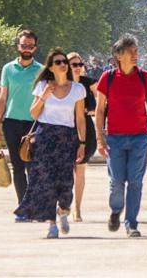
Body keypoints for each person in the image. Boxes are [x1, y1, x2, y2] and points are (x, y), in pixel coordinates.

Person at [15, 49, 86, 239]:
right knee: (46, 182)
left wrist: (82, 142)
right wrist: (44, 96)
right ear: (51, 67)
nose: (63, 64)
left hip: (67, 138)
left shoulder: (78, 89)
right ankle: (51, 224)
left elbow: (80, 119)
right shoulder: (43, 86)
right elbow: (34, 114)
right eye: (58, 62)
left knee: (65, 182)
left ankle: (63, 210)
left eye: (64, 61)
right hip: (45, 136)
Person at [94, 33, 147, 238]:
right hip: (115, 137)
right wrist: (99, 138)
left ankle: (131, 223)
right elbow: (99, 110)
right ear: (118, 55)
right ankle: (115, 211)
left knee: (136, 182)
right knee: (116, 182)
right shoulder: (108, 77)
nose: (135, 55)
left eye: (136, 51)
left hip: (140, 137)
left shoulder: (144, 77)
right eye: (130, 51)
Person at [0, 29, 42, 207]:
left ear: (35, 48)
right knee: (18, 166)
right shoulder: (8, 68)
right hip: (11, 122)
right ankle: (23, 204)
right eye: (24, 45)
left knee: (32, 166)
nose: (27, 48)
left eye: (30, 45)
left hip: (33, 123)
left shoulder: (41, 70)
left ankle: (33, 203)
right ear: (18, 46)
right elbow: (3, 98)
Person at [65, 55, 96, 219]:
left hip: (86, 129)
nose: (77, 67)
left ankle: (77, 208)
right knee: (65, 172)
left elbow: (104, 104)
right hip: (66, 127)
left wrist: (89, 111)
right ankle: (65, 205)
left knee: (80, 171)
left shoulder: (89, 82)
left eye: (79, 64)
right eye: (73, 64)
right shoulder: (62, 83)